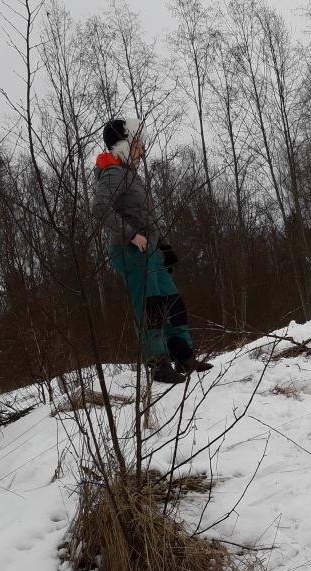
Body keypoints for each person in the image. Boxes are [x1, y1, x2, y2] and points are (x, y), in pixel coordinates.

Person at [92, 117, 213, 384]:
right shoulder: (113, 173)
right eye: (138, 145)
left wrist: (165, 245)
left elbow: (147, 216)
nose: (142, 150)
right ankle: (158, 363)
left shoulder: (130, 175)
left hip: (152, 251)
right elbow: (100, 208)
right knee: (151, 305)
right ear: (124, 144)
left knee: (172, 301)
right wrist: (132, 235)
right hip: (130, 252)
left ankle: (183, 355)